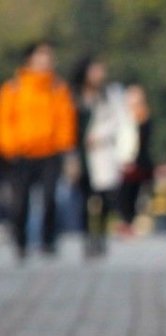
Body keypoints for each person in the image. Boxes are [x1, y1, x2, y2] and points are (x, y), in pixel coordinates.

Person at [0, 41, 76, 261]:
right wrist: (10, 146)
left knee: (51, 197)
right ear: (30, 60)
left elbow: (65, 120)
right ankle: (21, 241)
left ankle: (47, 240)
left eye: (49, 57)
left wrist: (66, 148)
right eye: (41, 57)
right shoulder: (14, 88)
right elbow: (5, 120)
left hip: (50, 152)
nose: (46, 62)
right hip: (21, 153)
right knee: (20, 201)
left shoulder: (57, 88)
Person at [73, 56, 126, 258]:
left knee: (104, 197)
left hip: (101, 152)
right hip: (80, 154)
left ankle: (101, 236)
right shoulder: (74, 95)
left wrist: (100, 136)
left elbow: (118, 121)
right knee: (85, 198)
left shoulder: (109, 95)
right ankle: (87, 237)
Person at [117, 85, 153, 235]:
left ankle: (133, 222)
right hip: (124, 162)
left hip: (139, 163)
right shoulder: (122, 118)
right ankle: (125, 221)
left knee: (137, 195)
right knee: (124, 194)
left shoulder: (144, 118)